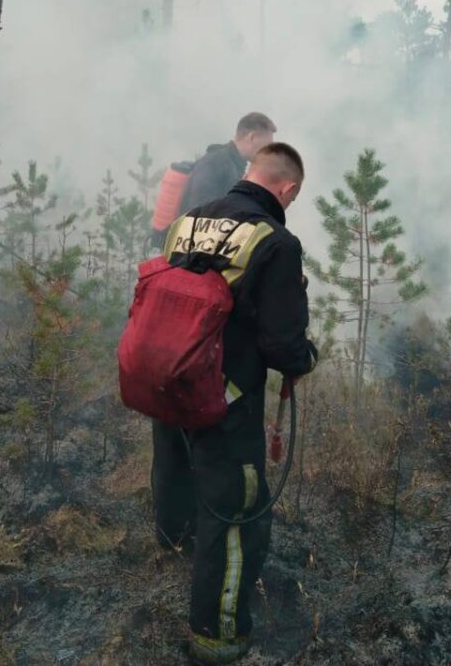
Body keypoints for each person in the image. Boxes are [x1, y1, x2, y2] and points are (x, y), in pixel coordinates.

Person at [152, 143, 317, 665]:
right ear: (286, 190)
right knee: (237, 509)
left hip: (169, 377)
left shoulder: (189, 219)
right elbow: (281, 345)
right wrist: (305, 356)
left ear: (249, 173)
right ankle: (217, 638)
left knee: (174, 467)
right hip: (225, 398)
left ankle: (173, 542)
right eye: (293, 198)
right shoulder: (277, 240)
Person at [178, 112, 277, 216]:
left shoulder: (233, 165)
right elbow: (200, 210)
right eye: (267, 146)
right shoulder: (215, 162)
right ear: (252, 137)